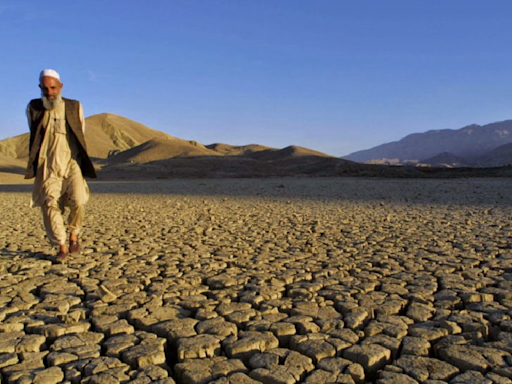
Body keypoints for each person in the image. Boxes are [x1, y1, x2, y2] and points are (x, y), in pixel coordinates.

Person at [25, 69, 96, 263]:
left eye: (53, 88)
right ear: (40, 88)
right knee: (49, 203)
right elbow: (34, 134)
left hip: (71, 161)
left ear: (61, 87)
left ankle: (74, 234)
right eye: (45, 88)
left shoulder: (74, 107)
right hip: (47, 164)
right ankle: (62, 246)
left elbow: (80, 132)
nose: (49, 92)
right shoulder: (34, 108)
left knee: (79, 200)